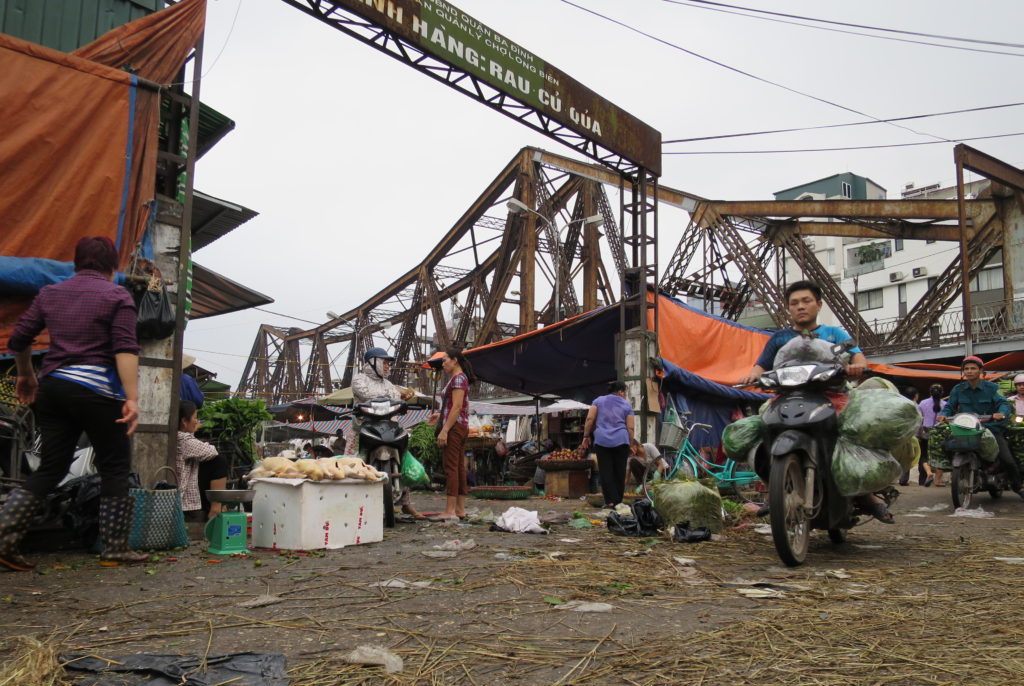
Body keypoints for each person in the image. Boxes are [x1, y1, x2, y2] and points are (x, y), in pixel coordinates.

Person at [1, 236, 149, 570]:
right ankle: (115, 548)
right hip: (97, 390)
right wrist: (132, 398)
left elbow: (19, 339)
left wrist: (26, 375)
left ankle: (3, 538)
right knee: (114, 466)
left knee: (51, 467)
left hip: (54, 388)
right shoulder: (117, 296)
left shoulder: (50, 293)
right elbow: (125, 348)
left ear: (77, 263)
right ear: (112, 266)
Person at [736, 280, 891, 523]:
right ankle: (773, 488)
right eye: (794, 303)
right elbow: (760, 366)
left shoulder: (836, 335)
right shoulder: (779, 338)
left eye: (806, 301)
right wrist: (751, 376)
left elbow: (858, 357)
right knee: (761, 435)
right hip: (786, 397)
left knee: (849, 436)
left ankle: (867, 496)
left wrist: (857, 367)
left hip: (830, 397)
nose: (800, 306)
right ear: (788, 308)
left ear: (818, 304)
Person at [937, 356, 1024, 501]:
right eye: (966, 369)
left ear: (981, 371)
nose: (969, 371)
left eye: (973, 368)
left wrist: (1000, 413)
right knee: (945, 445)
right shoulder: (958, 389)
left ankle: (1018, 487)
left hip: (991, 429)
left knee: (1008, 460)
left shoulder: (992, 388)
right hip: (966, 429)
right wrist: (943, 415)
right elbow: (950, 406)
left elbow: (1003, 403)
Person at [350, 347, 421, 517]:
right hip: (363, 426)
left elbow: (395, 397)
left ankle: (406, 503)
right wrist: (393, 395)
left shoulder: (388, 383)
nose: (388, 366)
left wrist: (402, 397)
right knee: (352, 463)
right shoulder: (359, 379)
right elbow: (367, 394)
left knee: (404, 458)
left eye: (388, 363)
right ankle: (353, 503)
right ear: (373, 362)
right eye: (385, 362)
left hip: (387, 425)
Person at [434, 348, 475, 521]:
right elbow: (455, 406)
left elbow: (457, 407)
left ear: (455, 360)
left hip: (454, 428)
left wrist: (445, 430)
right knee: (458, 467)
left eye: (445, 360)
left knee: (451, 467)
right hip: (460, 426)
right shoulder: (460, 378)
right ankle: (459, 509)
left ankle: (449, 510)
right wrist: (439, 416)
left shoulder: (458, 378)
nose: (443, 364)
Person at [580, 381, 634, 508]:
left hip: (602, 441)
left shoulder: (598, 401)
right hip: (621, 441)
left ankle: (610, 502)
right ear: (621, 391)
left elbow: (590, 419)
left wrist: (586, 436)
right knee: (619, 472)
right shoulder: (627, 405)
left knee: (605, 472)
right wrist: (630, 444)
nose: (625, 395)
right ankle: (618, 502)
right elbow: (630, 428)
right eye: (625, 392)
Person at [176, 401, 225, 521]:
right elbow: (212, 451)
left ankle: (216, 505)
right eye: (195, 418)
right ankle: (216, 507)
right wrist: (193, 432)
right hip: (183, 494)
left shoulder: (178, 436)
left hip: (185, 484)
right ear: (184, 421)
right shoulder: (183, 439)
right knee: (219, 461)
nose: (197, 421)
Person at [917, 384, 944, 487]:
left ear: (930, 392)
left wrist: (918, 434)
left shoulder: (923, 403)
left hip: (925, 432)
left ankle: (928, 473)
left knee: (924, 455)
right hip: (940, 433)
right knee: (941, 456)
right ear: (942, 393)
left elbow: (919, 419)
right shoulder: (946, 405)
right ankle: (938, 481)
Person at [898, 387, 921, 487]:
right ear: (916, 396)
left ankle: (897, 478)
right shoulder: (916, 406)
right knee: (907, 456)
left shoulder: (900, 404)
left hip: (900, 433)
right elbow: (918, 421)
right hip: (911, 435)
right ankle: (903, 479)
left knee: (900, 455)